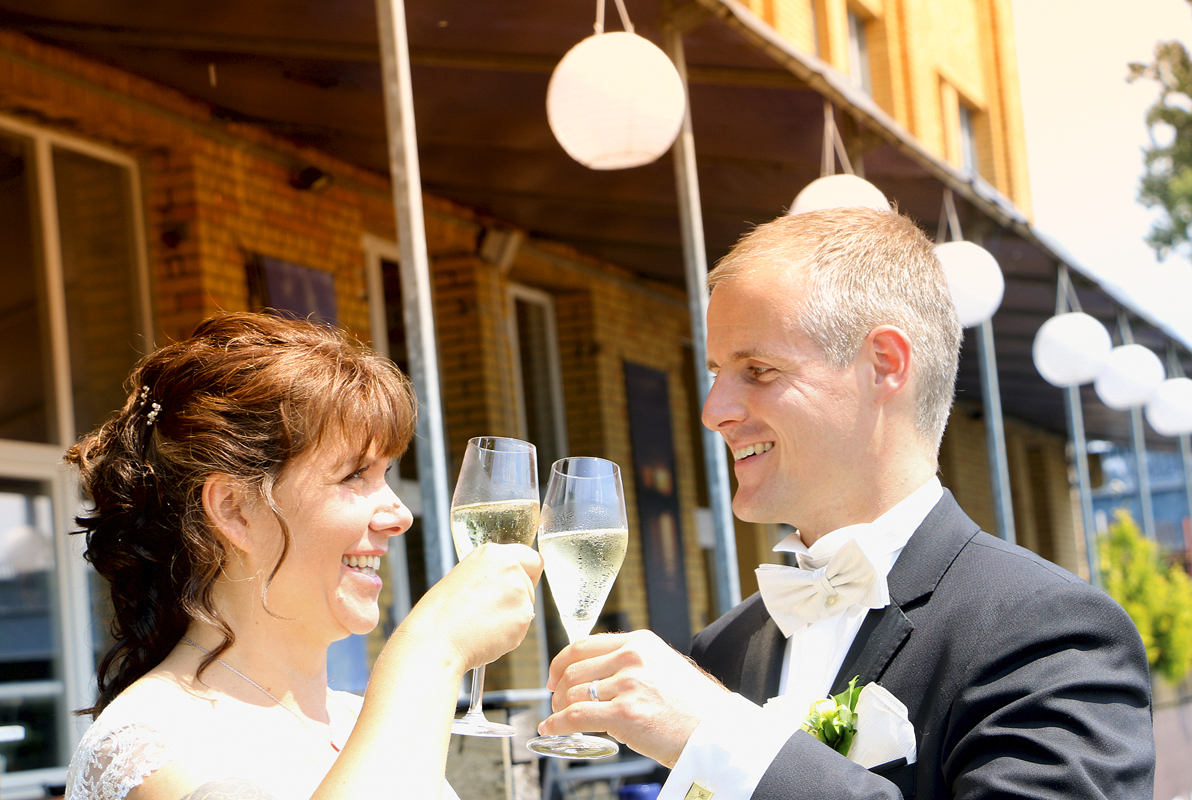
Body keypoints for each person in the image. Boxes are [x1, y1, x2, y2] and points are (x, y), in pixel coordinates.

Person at [537, 208, 1155, 799]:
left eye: (757, 369)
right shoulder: (723, 650)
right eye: (716, 371)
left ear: (884, 365)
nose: (713, 411)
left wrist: (722, 734)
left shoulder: (1050, 632)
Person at [64, 312, 542, 800]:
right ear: (235, 510)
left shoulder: (359, 720)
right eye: (355, 475)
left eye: (387, 475)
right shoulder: (154, 745)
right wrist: (430, 650)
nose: (400, 516)